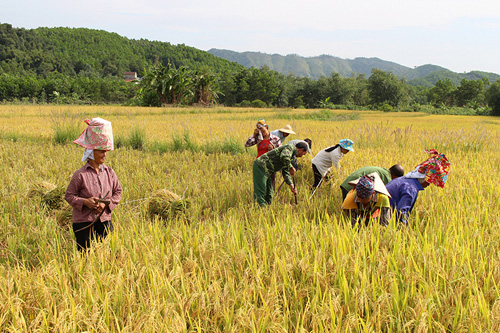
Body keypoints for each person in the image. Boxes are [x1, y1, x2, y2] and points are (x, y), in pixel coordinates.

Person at [65, 118, 122, 252]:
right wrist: (86, 202)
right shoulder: (80, 175)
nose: (105, 154)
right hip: (83, 223)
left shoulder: (109, 173)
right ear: (91, 153)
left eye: (105, 151)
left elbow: (118, 191)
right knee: (85, 257)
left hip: (104, 221)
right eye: (101, 151)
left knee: (108, 255)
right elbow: (69, 196)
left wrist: (106, 204)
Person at [385, 149, 451, 226]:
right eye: (429, 181)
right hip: (381, 215)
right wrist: (406, 230)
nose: (429, 184)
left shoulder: (404, 180)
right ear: (423, 178)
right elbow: (401, 212)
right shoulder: (411, 188)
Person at [253, 142, 308, 207]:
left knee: (269, 193)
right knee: (261, 191)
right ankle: (260, 209)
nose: (301, 156)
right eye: (303, 154)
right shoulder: (290, 147)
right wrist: (291, 167)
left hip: (268, 170)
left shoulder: (291, 156)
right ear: (301, 150)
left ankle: (268, 208)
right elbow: (284, 156)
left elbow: (285, 171)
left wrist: (291, 185)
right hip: (261, 166)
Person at [340, 164, 404, 200]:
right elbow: (387, 194)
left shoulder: (383, 171)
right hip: (351, 187)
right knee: (351, 211)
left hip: (348, 184)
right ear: (395, 176)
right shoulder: (387, 177)